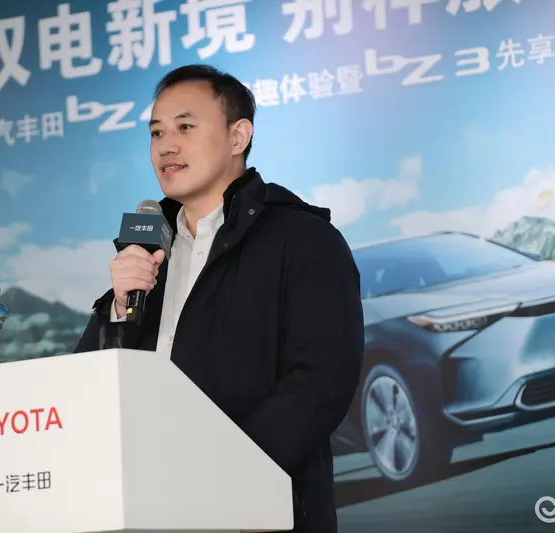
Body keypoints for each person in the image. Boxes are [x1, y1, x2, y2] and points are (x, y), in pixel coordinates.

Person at [75, 64, 364, 533]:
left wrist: (223, 473)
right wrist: (118, 309)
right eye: (156, 132)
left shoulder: (303, 239)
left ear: (238, 136)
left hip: (255, 510)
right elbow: (89, 390)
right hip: (144, 509)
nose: (166, 146)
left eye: (185, 127)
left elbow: (320, 382)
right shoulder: (147, 254)